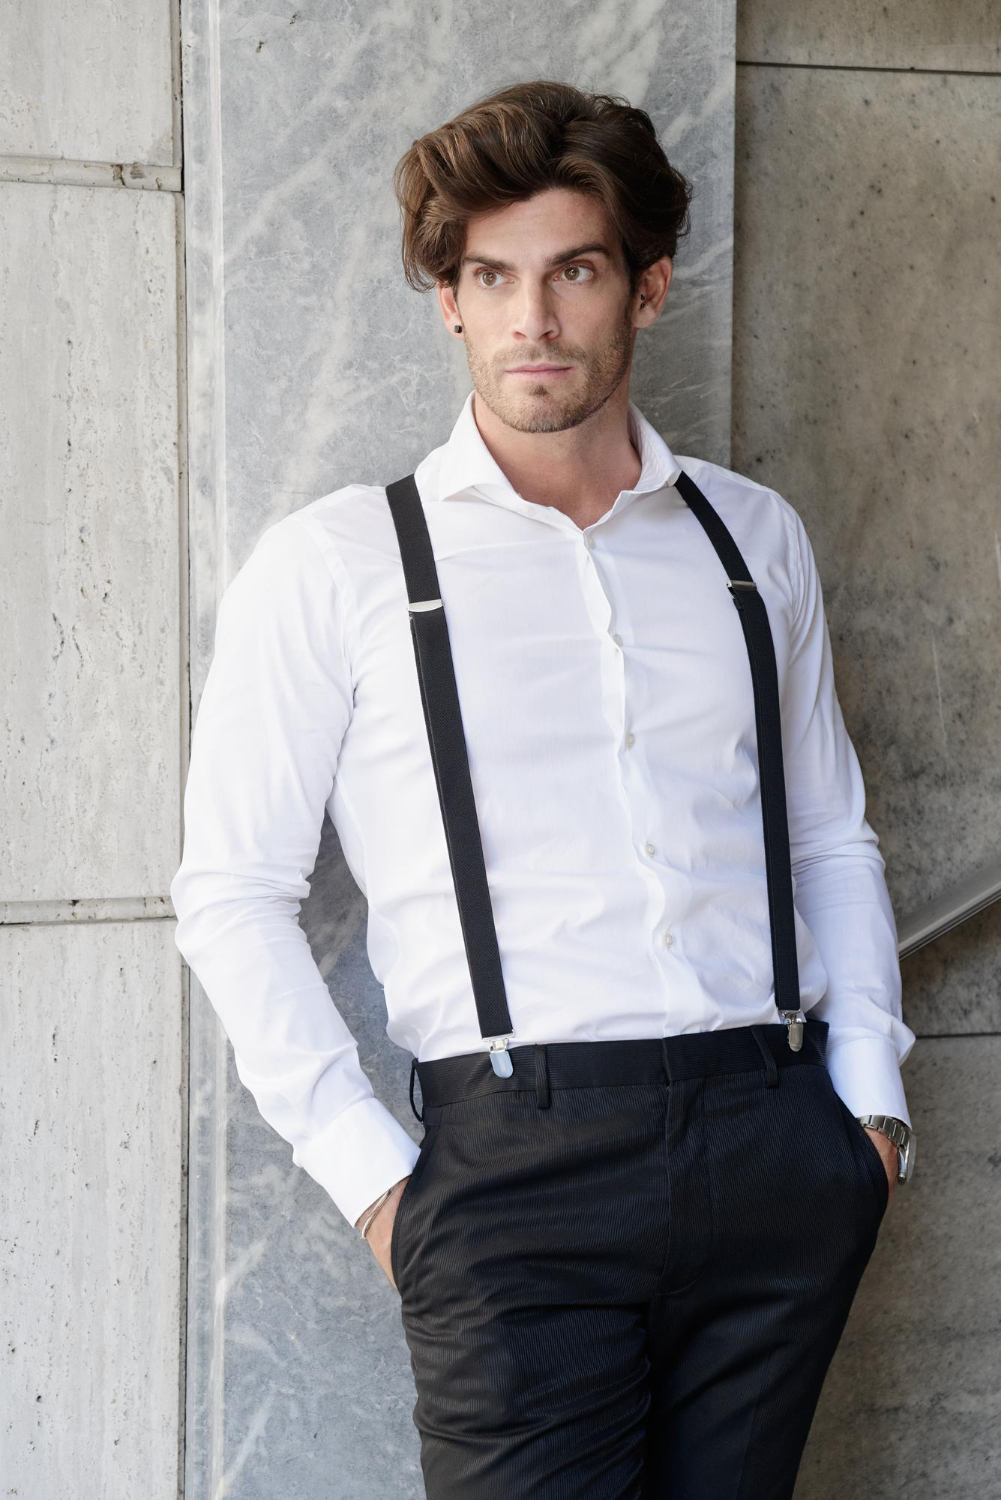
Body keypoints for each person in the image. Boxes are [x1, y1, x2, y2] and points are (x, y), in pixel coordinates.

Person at [170, 78, 917, 1499]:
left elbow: (827, 834)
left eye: (573, 272)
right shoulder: (340, 565)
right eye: (491, 278)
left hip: (773, 1142)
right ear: (449, 303)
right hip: (512, 1175)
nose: (533, 320)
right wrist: (379, 1186)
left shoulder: (753, 540)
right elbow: (231, 893)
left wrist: (868, 1112)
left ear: (647, 288)